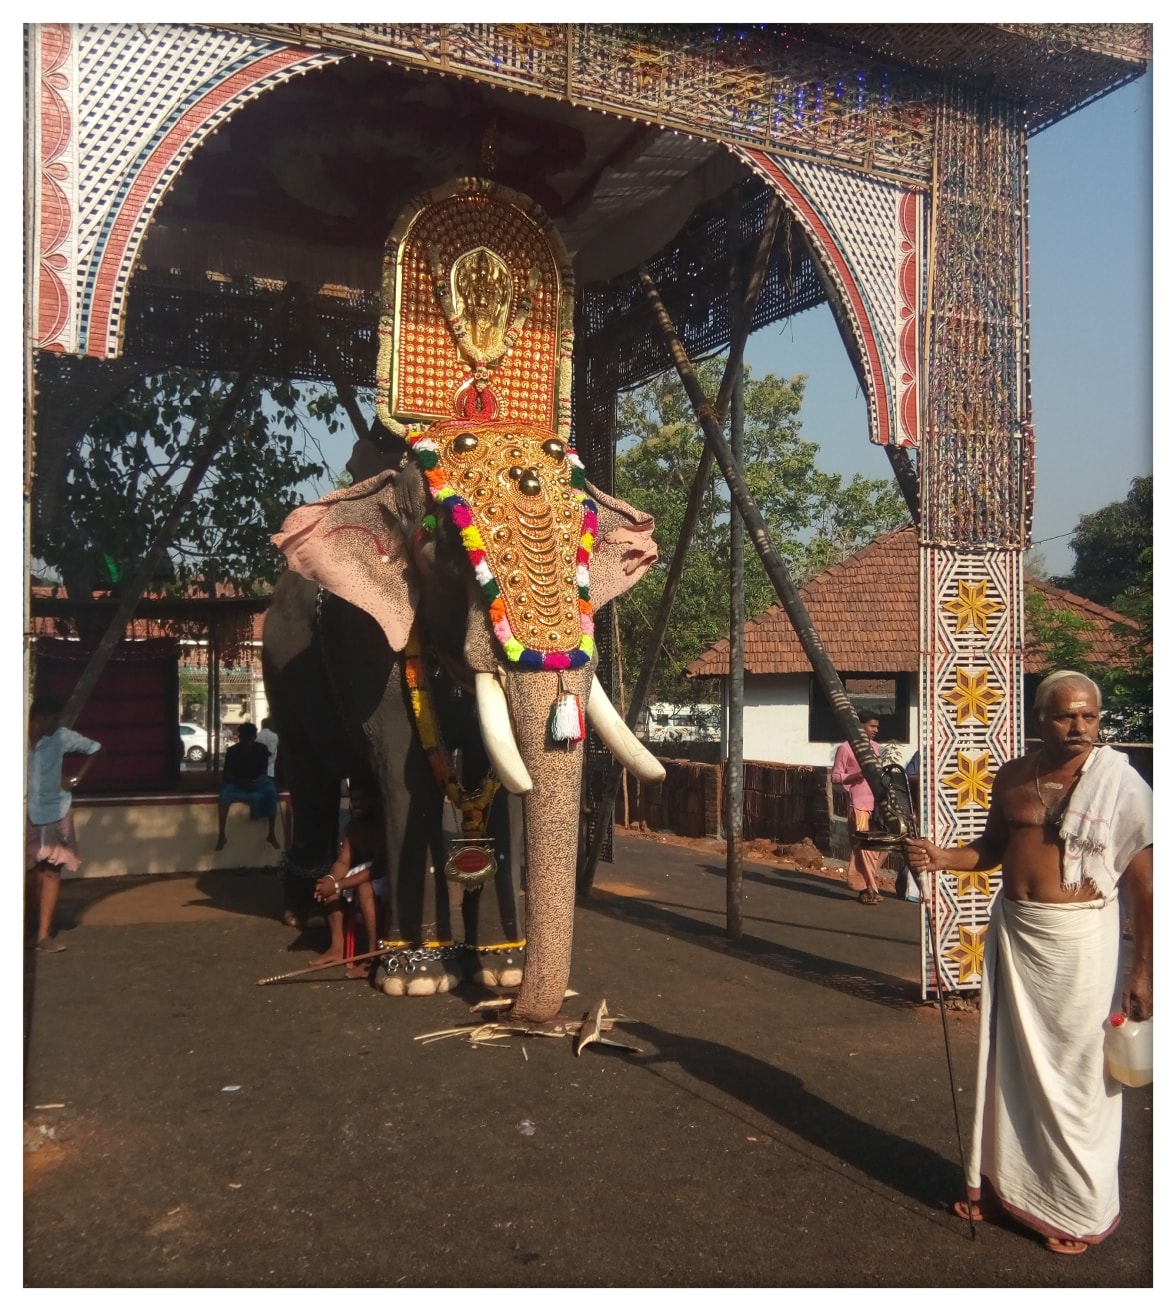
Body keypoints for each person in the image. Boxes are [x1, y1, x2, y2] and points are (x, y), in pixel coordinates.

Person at [905, 670, 1152, 1256]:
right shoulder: (1013, 777)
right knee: (1006, 1067)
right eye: (1067, 716)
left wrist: (1143, 970)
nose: (1080, 727)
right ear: (1038, 718)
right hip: (1017, 936)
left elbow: (1147, 887)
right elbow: (993, 850)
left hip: (1079, 944)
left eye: (1090, 716)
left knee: (1078, 1077)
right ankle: (1002, 1188)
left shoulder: (1121, 784)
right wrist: (942, 857)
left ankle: (1077, 1209)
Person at [26, 696, 103, 952]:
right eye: (54, 719)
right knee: (29, 873)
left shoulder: (62, 737)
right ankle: (31, 924)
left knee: (51, 870)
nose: (57, 723)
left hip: (56, 810)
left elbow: (96, 748)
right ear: (39, 719)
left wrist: (77, 778)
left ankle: (43, 935)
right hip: (25, 814)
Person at [311, 783, 387, 976]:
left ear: (374, 802)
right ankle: (337, 949)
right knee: (328, 886)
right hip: (364, 873)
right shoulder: (352, 828)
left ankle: (372, 957)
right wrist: (329, 880)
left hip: (387, 877)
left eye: (362, 800)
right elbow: (343, 862)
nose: (357, 805)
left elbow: (376, 871)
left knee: (363, 888)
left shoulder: (382, 827)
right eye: (354, 801)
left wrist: (337, 884)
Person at [831, 715, 885, 904]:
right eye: (872, 726)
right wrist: (857, 775)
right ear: (860, 726)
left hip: (877, 806)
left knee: (880, 848)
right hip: (859, 804)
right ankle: (870, 889)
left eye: (877, 727)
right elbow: (836, 777)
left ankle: (866, 886)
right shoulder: (845, 748)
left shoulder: (876, 748)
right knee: (864, 850)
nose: (875, 730)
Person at [215, 722, 279, 851]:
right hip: (238, 784)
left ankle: (271, 833)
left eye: (251, 739)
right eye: (245, 739)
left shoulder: (261, 749)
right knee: (224, 796)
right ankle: (222, 835)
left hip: (258, 783)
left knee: (272, 791)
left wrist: (258, 780)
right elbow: (226, 775)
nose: (248, 742)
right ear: (240, 738)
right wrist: (240, 781)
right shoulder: (232, 752)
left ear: (254, 737)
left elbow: (263, 772)